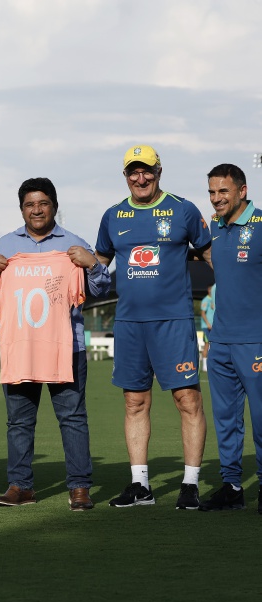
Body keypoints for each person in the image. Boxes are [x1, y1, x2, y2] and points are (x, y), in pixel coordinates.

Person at [0, 177, 110, 511]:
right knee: (19, 422)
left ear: (54, 205)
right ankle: (20, 486)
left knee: (73, 419)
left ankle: (80, 487)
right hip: (19, 347)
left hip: (65, 348)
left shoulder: (73, 245)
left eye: (43, 203)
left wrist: (92, 264)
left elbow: (101, 289)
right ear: (21, 208)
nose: (36, 210)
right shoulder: (5, 246)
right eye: (29, 204)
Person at [95, 145, 212, 510]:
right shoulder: (113, 216)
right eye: (133, 172)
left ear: (159, 171)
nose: (140, 178)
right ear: (125, 175)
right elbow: (99, 263)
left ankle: (190, 483)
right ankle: (140, 485)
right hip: (130, 323)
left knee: (187, 400)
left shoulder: (183, 209)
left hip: (174, 322)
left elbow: (209, 253)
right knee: (134, 402)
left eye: (146, 170)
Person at [199, 164, 262, 512]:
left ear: (242, 190)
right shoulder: (215, 230)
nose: (217, 198)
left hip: (256, 341)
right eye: (212, 192)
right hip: (221, 343)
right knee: (226, 419)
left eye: (223, 191)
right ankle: (232, 486)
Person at [200, 284, 216, 371]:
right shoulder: (206, 300)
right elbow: (202, 313)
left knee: (213, 345)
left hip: (214, 326)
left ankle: (211, 364)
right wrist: (208, 323)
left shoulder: (214, 300)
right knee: (207, 344)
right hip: (207, 326)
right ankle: (204, 366)